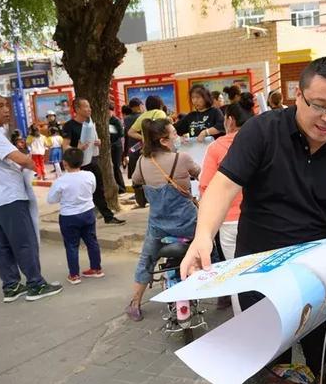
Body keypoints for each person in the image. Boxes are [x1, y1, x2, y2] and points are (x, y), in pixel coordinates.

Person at [180, 57, 326, 381]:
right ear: (298, 96)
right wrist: (202, 237)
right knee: (265, 366)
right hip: (260, 274)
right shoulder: (262, 131)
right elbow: (224, 186)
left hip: (317, 277)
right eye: (319, 105)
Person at [0, 93, 63, 302]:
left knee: (3, 244)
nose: (6, 110)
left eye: (6, 105)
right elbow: (22, 160)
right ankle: (35, 284)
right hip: (9, 197)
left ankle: (11, 286)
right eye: (0, 106)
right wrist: (30, 162)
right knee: (24, 242)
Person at [125, 118, 200, 321]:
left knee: (146, 261)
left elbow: (136, 181)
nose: (177, 137)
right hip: (188, 225)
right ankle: (223, 296)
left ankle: (135, 303)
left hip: (159, 227)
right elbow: (200, 174)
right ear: (164, 141)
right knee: (212, 248)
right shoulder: (182, 158)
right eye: (174, 133)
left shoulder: (141, 161)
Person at [199, 102, 252, 312]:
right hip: (260, 218)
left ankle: (243, 324)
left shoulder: (217, 147)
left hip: (229, 219)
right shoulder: (261, 142)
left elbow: (206, 186)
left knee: (236, 273)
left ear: (229, 120)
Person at [62, 97, 125, 225]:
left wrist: (98, 142)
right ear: (77, 109)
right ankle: (81, 219)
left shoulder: (89, 123)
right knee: (81, 192)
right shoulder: (69, 126)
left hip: (92, 160)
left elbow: (94, 140)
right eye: (85, 106)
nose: (89, 109)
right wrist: (77, 148)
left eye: (89, 106)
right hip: (78, 165)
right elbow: (65, 146)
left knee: (98, 189)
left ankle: (108, 216)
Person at [47, 148, 105, 285]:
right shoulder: (89, 175)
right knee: (91, 241)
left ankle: (74, 275)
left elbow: (51, 199)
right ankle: (96, 268)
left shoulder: (61, 181)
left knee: (72, 245)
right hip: (88, 211)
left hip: (69, 216)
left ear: (65, 163)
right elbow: (93, 189)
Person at [123, 98, 143, 179]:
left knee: (135, 174)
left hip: (132, 149)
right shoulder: (142, 117)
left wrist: (125, 153)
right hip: (142, 146)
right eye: (141, 105)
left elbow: (126, 136)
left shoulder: (126, 119)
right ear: (137, 107)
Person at [108, 104, 126, 194]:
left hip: (116, 146)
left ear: (112, 111)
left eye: (109, 111)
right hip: (108, 147)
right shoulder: (103, 121)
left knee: (116, 167)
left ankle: (121, 188)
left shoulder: (116, 121)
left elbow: (121, 134)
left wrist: (111, 132)